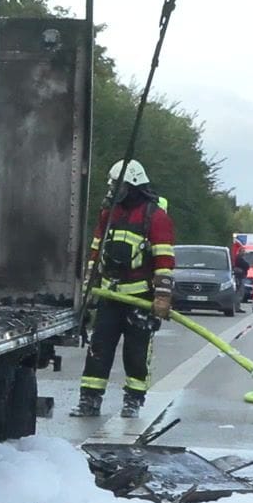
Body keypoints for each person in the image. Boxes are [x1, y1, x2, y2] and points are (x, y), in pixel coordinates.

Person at [77, 159, 175, 418]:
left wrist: (162, 296)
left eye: (116, 184)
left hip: (140, 299)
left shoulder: (156, 217)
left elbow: (164, 261)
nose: (111, 189)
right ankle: (89, 400)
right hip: (110, 296)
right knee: (99, 349)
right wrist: (88, 287)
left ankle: (133, 401)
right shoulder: (109, 213)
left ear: (131, 185)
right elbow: (96, 252)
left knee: (137, 353)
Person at [232, 245, 250, 314]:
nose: (244, 253)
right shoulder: (239, 259)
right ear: (240, 252)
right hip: (239, 277)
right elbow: (246, 265)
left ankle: (237, 306)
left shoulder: (239, 258)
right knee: (239, 293)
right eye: (243, 251)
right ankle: (237, 307)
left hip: (240, 277)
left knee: (239, 293)